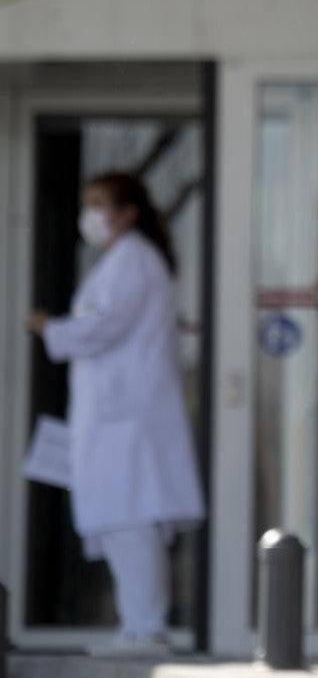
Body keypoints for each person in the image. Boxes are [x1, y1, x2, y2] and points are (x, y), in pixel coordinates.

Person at [26, 172, 205, 657]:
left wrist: (51, 329)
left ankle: (145, 628)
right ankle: (137, 624)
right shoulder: (124, 260)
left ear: (128, 213)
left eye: (100, 203)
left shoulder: (134, 260)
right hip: (118, 417)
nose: (92, 214)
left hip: (130, 420)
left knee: (132, 517)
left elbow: (102, 326)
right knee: (121, 518)